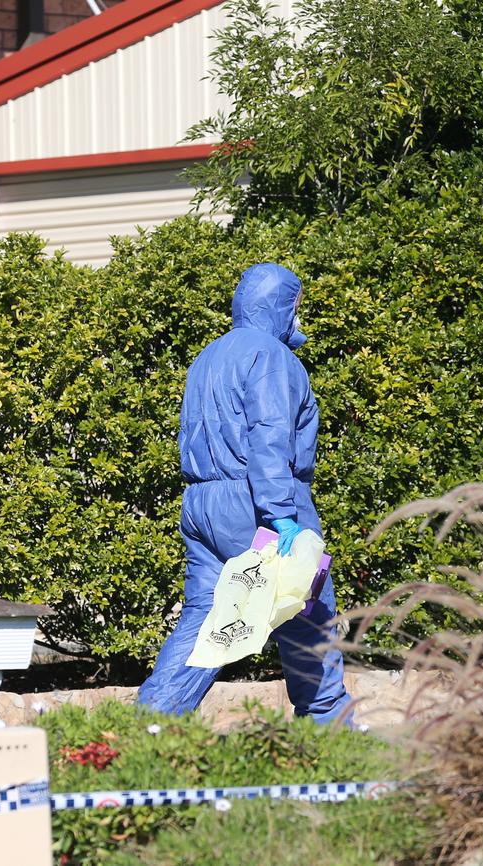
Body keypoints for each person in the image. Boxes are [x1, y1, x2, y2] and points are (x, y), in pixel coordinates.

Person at [137, 262, 352, 724]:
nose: (299, 318)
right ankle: (333, 739)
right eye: (295, 307)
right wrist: (282, 515)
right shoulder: (273, 358)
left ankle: (150, 725)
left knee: (207, 617)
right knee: (310, 619)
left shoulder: (209, 356)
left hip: (202, 504)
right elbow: (269, 436)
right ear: (279, 306)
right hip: (258, 505)